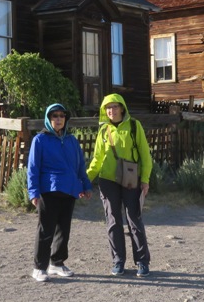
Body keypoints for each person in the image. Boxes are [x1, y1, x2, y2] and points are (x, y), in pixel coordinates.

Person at [87, 93, 153, 278]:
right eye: (108, 107)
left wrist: (145, 179)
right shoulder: (103, 131)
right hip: (108, 181)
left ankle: (142, 261)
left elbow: (145, 156)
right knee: (113, 221)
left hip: (131, 179)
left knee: (134, 220)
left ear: (122, 108)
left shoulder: (134, 126)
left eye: (115, 106)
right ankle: (118, 261)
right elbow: (97, 159)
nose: (111, 110)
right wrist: (85, 181)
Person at [27, 103, 92, 282]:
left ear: (65, 119)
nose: (58, 119)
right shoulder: (39, 140)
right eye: (54, 116)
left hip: (69, 190)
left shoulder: (71, 141)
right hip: (49, 190)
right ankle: (39, 267)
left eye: (61, 116)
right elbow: (33, 168)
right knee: (45, 230)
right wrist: (33, 192)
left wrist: (85, 185)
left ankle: (57, 263)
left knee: (64, 230)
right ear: (48, 119)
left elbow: (80, 166)